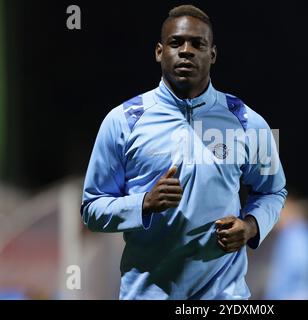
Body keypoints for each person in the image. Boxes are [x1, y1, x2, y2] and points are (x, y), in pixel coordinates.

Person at [80, 5, 287, 300]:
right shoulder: (122, 120)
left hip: (224, 296)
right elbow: (91, 209)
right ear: (159, 52)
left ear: (212, 54)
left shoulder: (248, 121)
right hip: (147, 294)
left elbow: (274, 191)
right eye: (176, 43)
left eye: (197, 44)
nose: (186, 51)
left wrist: (251, 226)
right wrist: (143, 204)